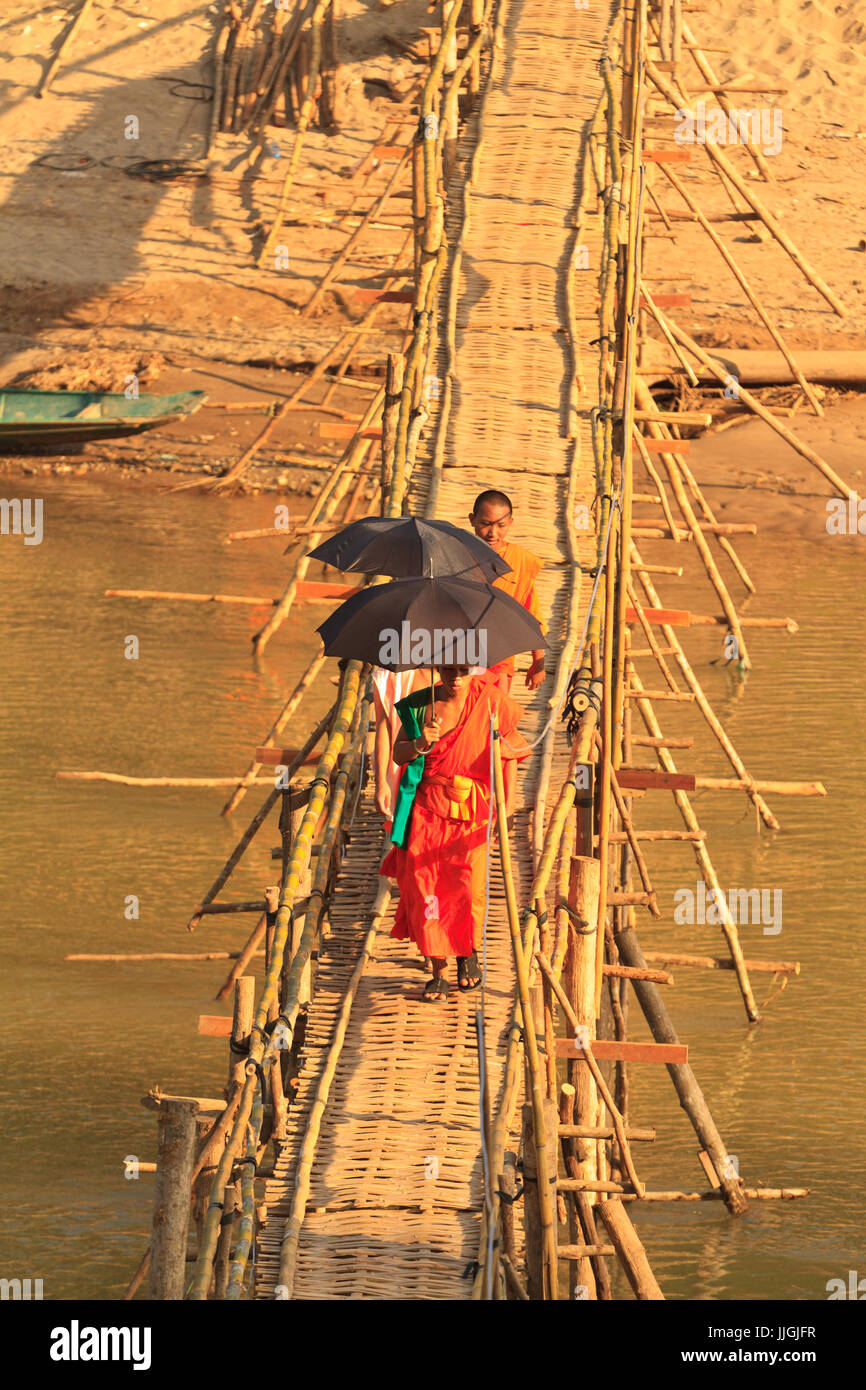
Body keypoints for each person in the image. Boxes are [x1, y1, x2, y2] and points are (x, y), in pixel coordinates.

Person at [380, 665, 530, 1002]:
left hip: (472, 812)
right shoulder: (420, 705)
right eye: (449, 669)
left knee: (467, 888)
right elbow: (398, 752)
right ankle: (438, 970)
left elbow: (511, 754)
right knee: (427, 889)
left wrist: (505, 807)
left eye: (463, 669)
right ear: (438, 668)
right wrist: (420, 742)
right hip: (427, 813)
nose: (456, 676)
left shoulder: (490, 702)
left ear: (472, 668)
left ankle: (467, 953)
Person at [468, 489, 546, 692]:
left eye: (501, 526)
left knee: (496, 715)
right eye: (485, 524)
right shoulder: (459, 555)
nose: (493, 533)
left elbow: (530, 614)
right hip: (461, 651)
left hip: (500, 655)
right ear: (472, 520)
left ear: (510, 523)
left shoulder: (519, 561)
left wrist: (538, 663)